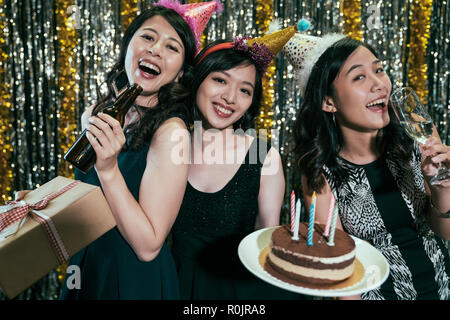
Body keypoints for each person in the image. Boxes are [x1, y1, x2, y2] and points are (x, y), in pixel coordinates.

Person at [55, 1, 217, 300]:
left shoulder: (172, 135)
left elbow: (148, 246)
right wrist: (39, 206)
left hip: (131, 279)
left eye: (172, 47)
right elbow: (88, 194)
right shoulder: (96, 112)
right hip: (86, 265)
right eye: (147, 37)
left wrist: (108, 169)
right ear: (127, 46)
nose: (155, 49)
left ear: (180, 73)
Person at [287, 33, 450, 300]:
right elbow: (340, 271)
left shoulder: (417, 133)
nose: (379, 85)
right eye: (359, 77)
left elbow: (445, 233)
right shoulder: (320, 173)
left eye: (379, 70)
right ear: (328, 102)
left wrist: (441, 185)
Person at [170, 28, 308, 299]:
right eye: (220, 80)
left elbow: (267, 238)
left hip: (237, 291)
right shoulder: (170, 141)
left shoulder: (261, 153)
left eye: (245, 90)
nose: (230, 98)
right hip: (174, 284)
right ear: (197, 80)